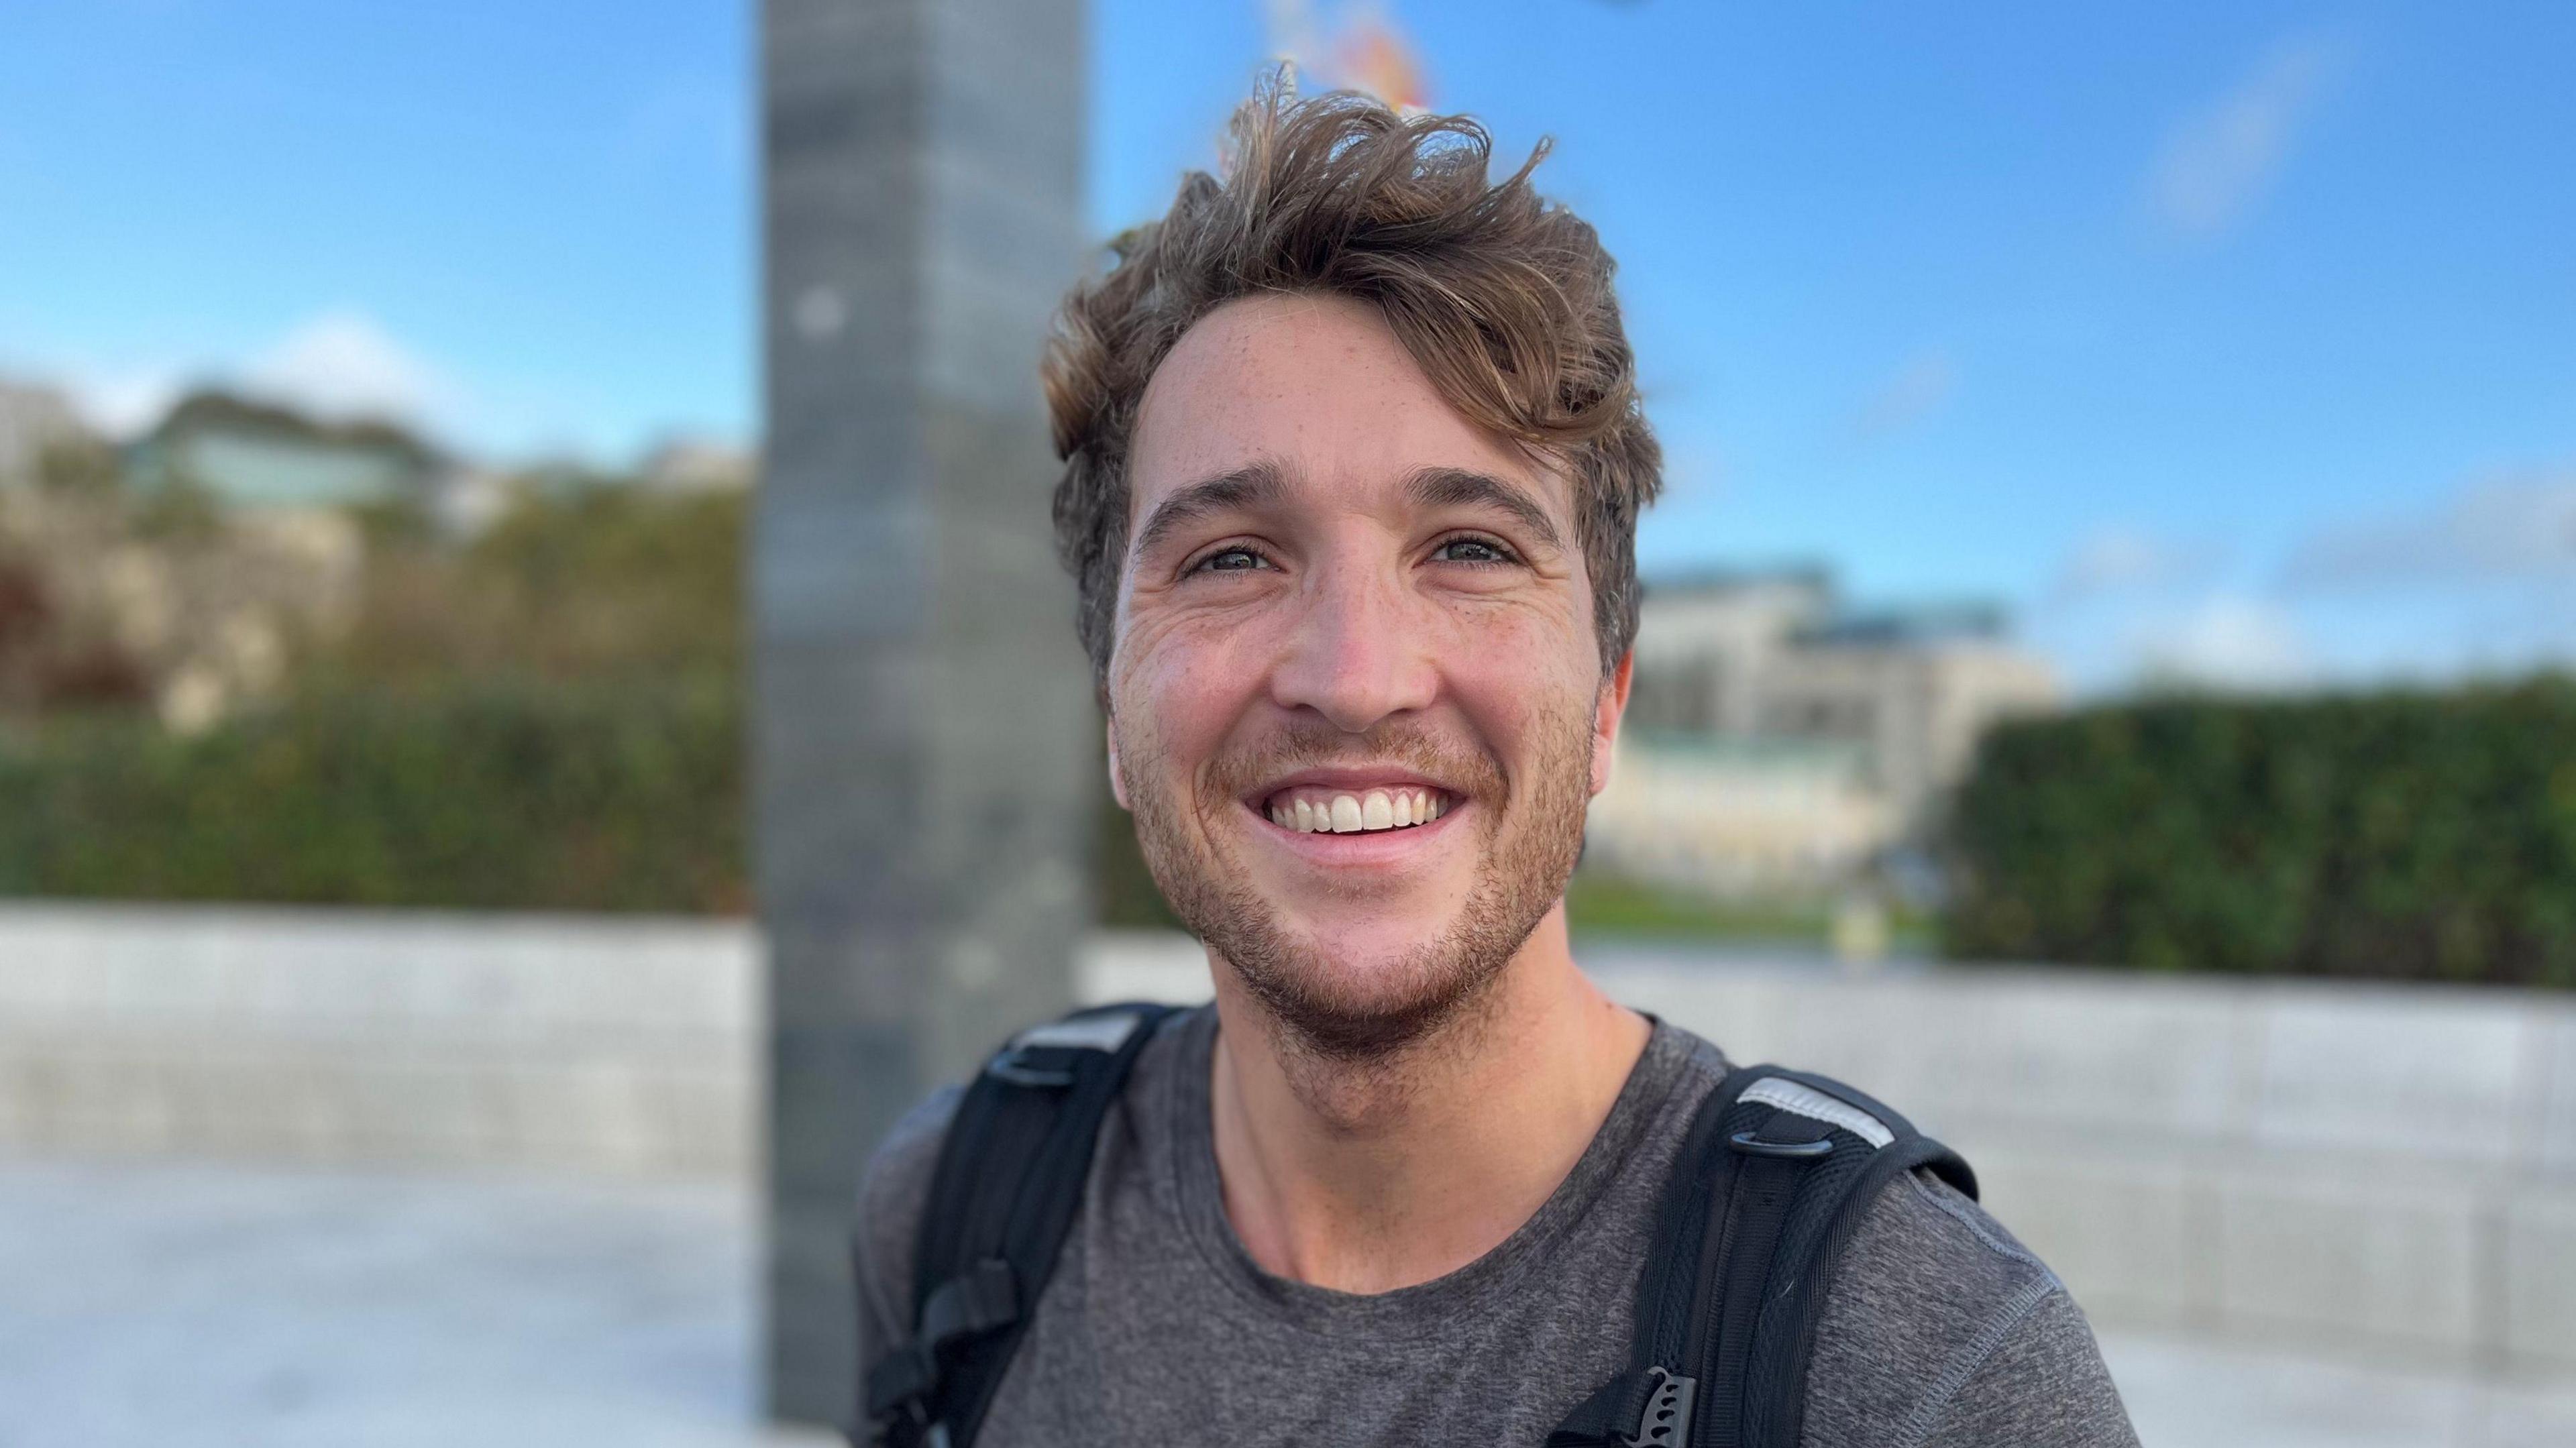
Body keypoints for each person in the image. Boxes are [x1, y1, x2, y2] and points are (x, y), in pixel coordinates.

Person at [853, 78, 2139, 1447]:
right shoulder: (954, 1217)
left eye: (1468, 549)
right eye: (1231, 557)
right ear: (1113, 712)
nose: (1354, 677)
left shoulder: (1929, 1374)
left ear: (1607, 706)